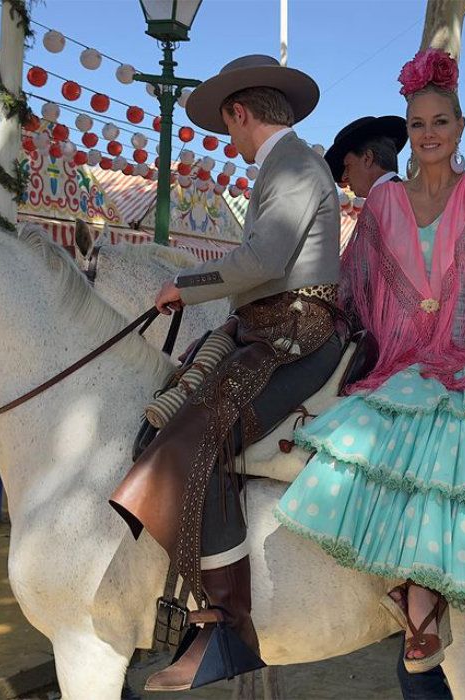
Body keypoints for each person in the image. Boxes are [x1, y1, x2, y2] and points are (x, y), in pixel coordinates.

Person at [275, 48, 465, 676]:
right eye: (419, 124)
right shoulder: (382, 203)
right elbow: (354, 281)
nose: (429, 134)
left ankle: (423, 596)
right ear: (410, 132)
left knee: (452, 429)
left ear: (459, 130)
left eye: (441, 123)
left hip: (464, 355)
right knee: (368, 433)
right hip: (401, 357)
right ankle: (397, 589)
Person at [111, 54, 343, 692]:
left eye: (227, 127)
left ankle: (227, 629)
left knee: (204, 437)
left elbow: (263, 257)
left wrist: (185, 286)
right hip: (268, 328)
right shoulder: (288, 164)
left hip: (296, 331)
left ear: (241, 113)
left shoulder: (292, 163)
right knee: (172, 414)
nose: (229, 141)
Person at [324, 115, 408, 197]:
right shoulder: (411, 197)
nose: (344, 177)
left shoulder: (382, 203)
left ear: (367, 158)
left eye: (347, 166)